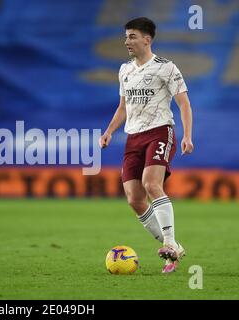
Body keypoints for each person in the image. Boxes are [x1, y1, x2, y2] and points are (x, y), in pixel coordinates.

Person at [99, 17, 194, 273]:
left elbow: (183, 103)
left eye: (131, 36)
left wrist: (187, 135)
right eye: (126, 36)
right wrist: (109, 131)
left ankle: (171, 245)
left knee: (151, 184)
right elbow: (122, 107)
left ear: (147, 39)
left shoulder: (166, 68)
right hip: (134, 138)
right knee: (134, 198)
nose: (126, 41)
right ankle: (174, 247)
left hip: (160, 132)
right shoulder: (125, 70)